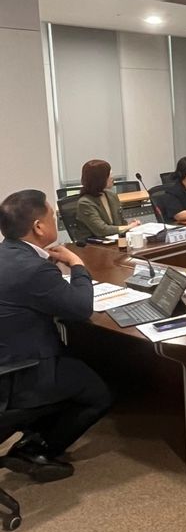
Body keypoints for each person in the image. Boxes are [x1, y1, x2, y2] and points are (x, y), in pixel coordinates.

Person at [0, 190, 111, 481]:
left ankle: (33, 434)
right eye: (52, 215)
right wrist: (76, 263)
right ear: (38, 226)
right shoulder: (32, 269)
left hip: (8, 358)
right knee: (98, 393)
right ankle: (37, 449)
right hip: (20, 374)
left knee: (76, 362)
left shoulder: (7, 254)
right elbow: (81, 308)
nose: (56, 219)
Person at [74, 159, 140, 241]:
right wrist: (128, 227)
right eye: (109, 175)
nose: (112, 178)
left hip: (115, 240)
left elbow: (120, 223)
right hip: (94, 244)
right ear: (99, 179)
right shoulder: (85, 203)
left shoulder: (111, 195)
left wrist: (129, 225)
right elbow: (102, 230)